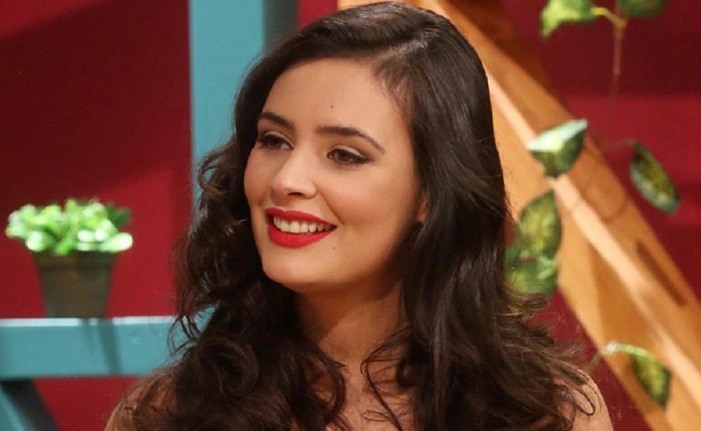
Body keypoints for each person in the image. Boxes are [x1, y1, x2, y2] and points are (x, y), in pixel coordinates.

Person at [107, 2, 612, 430]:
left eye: (345, 155)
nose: (286, 180)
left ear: (432, 193)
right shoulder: (165, 413)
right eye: (274, 140)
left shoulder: (546, 411)